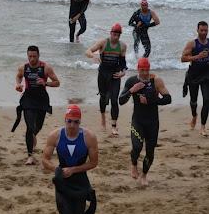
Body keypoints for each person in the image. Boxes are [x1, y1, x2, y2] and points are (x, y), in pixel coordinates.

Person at [42, 104, 98, 214]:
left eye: (76, 122)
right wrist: (58, 169)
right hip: (62, 182)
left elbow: (94, 162)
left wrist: (74, 169)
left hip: (80, 181)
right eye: (69, 121)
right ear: (65, 120)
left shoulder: (89, 137)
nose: (72, 125)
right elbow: (44, 160)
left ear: (80, 122)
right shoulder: (55, 136)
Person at [119, 57, 171, 186]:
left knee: (150, 151)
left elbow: (168, 99)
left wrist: (151, 100)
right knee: (137, 147)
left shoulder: (156, 81)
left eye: (147, 70)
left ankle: (144, 175)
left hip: (152, 122)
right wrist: (132, 90)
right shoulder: (132, 81)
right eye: (142, 70)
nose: (144, 73)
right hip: (138, 120)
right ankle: (134, 164)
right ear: (138, 69)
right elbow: (121, 100)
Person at [15, 45, 60, 165]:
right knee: (29, 127)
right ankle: (30, 156)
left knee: (38, 126)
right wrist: (18, 85)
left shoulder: (46, 68)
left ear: (38, 56)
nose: (32, 59)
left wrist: (46, 83)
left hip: (41, 99)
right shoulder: (23, 68)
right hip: (28, 98)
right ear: (27, 56)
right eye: (30, 56)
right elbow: (19, 77)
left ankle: (33, 135)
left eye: (34, 56)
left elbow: (57, 82)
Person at [86, 23, 127, 135]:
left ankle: (114, 126)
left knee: (114, 100)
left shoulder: (122, 46)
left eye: (118, 35)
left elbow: (123, 63)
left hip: (115, 75)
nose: (116, 37)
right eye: (114, 34)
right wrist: (93, 56)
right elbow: (88, 51)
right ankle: (103, 117)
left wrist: (123, 73)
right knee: (104, 98)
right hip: (103, 75)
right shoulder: (103, 43)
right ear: (110, 33)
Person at [181, 21, 209, 136]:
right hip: (193, 75)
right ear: (197, 30)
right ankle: (194, 116)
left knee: (207, 100)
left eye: (206, 30)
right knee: (194, 101)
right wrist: (198, 56)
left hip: (206, 75)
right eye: (201, 30)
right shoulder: (192, 44)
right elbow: (182, 58)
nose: (204, 32)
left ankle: (203, 127)